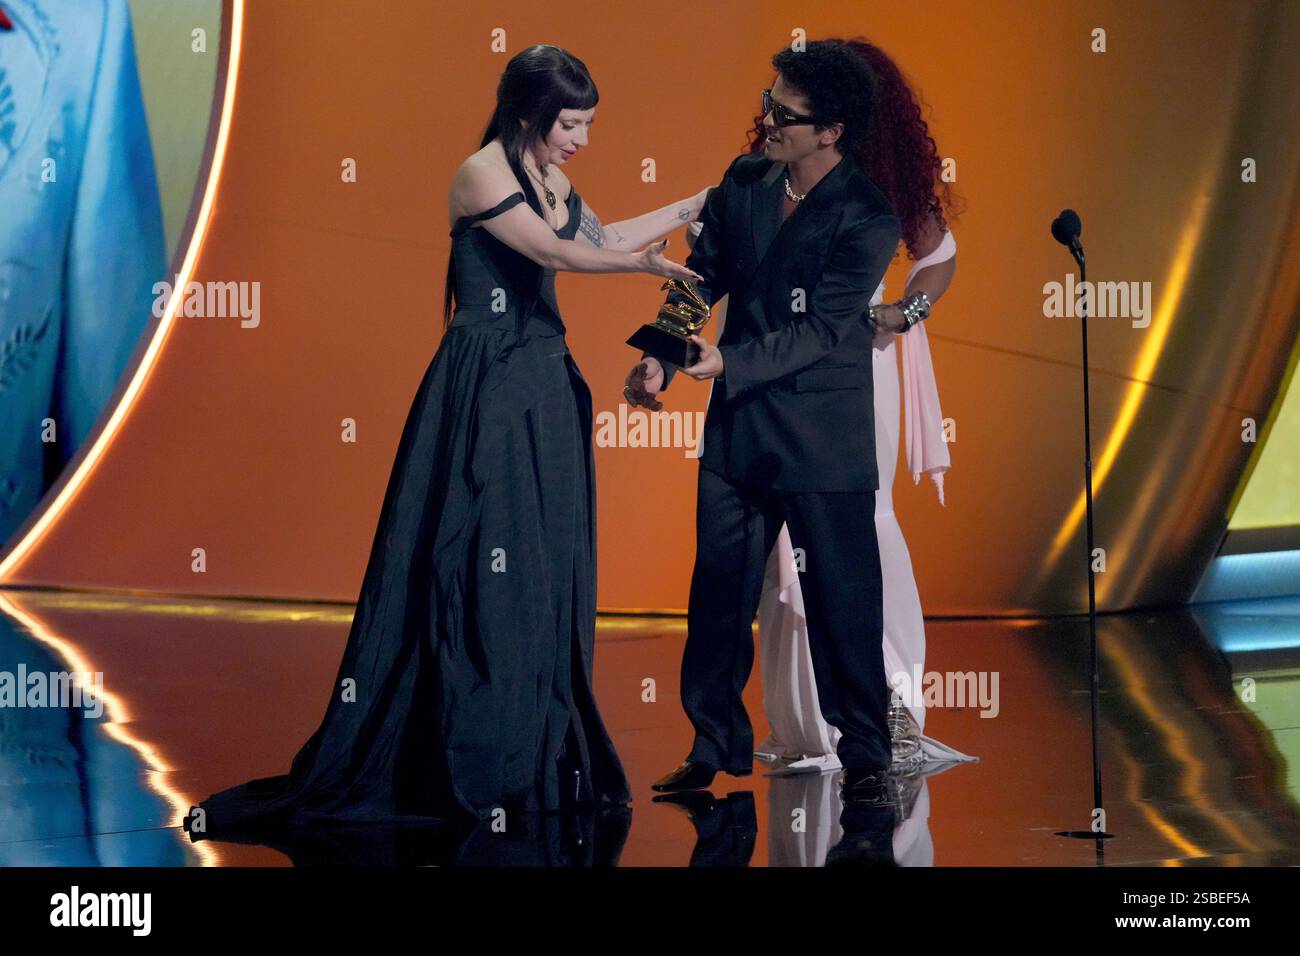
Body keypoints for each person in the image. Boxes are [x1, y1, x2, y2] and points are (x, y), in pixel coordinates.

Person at [184, 44, 704, 843]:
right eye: (571, 123)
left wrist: (689, 207)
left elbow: (599, 232)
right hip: (486, 383)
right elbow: (560, 252)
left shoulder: (552, 180)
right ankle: (467, 755)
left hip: (543, 382)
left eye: (589, 125)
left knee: (542, 565)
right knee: (474, 558)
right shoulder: (483, 173)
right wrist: (645, 271)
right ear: (531, 112)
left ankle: (526, 753)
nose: (581, 140)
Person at [627, 40, 902, 803]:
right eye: (768, 100)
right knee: (717, 597)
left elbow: (822, 333)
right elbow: (702, 274)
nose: (767, 119)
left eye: (787, 112)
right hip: (739, 432)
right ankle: (713, 749)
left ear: (832, 130)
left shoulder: (868, 215)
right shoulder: (746, 180)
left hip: (822, 441)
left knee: (843, 603)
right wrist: (660, 352)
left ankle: (869, 759)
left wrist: (726, 364)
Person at [750, 38, 976, 777]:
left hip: (852, 368)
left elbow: (936, 256)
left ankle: (888, 710)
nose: (776, 112)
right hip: (774, 363)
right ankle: (810, 722)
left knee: (853, 526)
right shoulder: (776, 173)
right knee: (783, 539)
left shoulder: (880, 188)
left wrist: (902, 314)